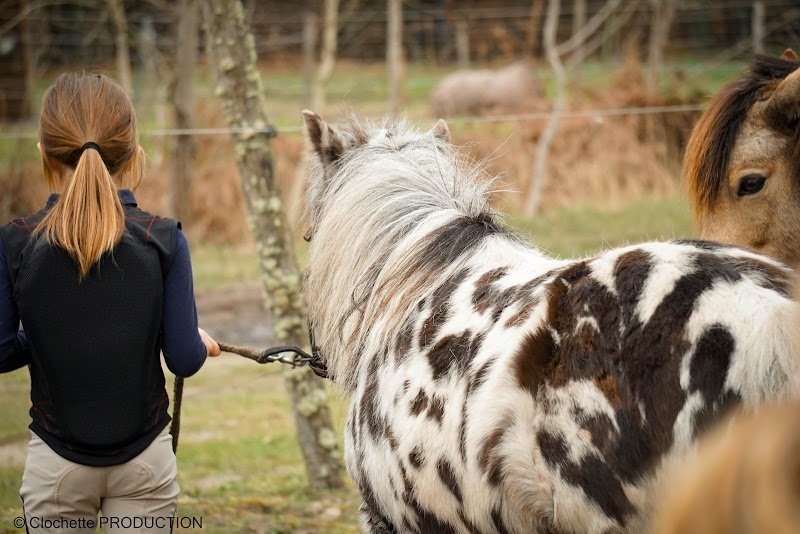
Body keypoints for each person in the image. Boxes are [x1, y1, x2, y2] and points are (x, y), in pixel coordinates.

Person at [0, 73, 221, 533]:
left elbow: (2, 352)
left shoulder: (16, 243)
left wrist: (39, 338)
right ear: (134, 153)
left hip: (55, 467)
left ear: (43, 152)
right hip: (145, 462)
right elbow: (183, 357)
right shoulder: (163, 239)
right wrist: (194, 342)